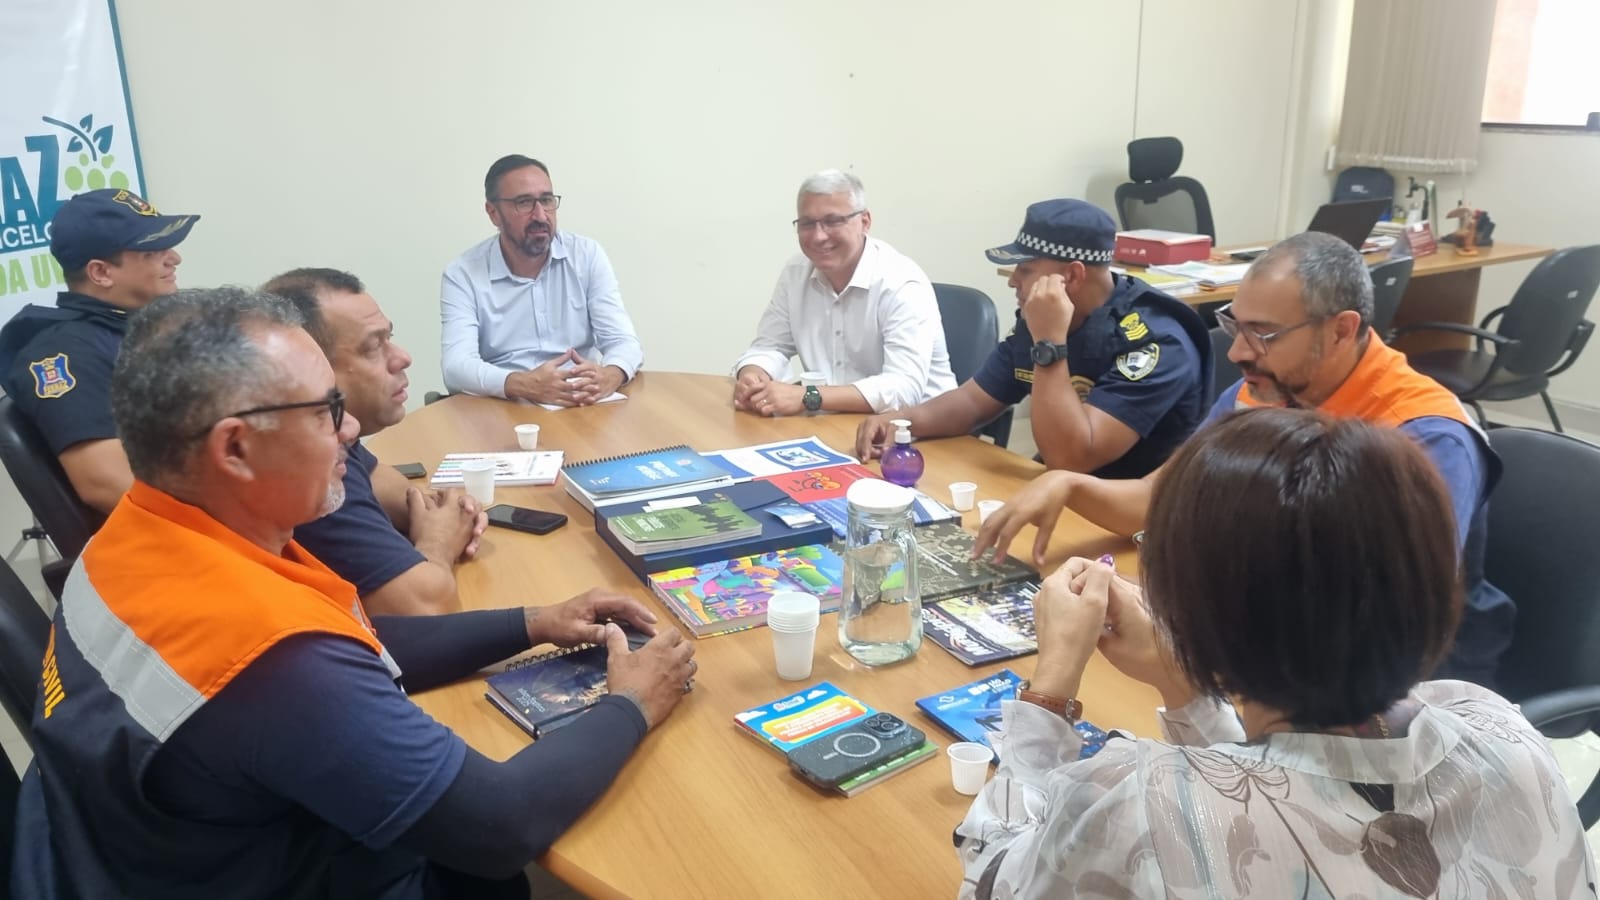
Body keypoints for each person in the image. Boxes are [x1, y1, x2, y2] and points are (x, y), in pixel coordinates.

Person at [13, 288, 697, 899]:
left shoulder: (138, 535)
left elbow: (350, 643)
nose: (348, 430)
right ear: (235, 449)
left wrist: (535, 621)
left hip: (117, 857)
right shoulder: (270, 657)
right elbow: (500, 825)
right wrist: (631, 704)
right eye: (325, 409)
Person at [956, 408, 1595, 899]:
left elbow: (993, 879)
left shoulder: (1141, 809)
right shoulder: (1502, 731)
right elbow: (1293, 773)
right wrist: (1183, 682)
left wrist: (1050, 688)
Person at [976, 231, 1511, 685]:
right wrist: (1071, 484)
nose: (1236, 353)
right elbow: (1162, 498)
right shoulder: (1267, 388)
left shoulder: (1425, 435)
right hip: (1274, 641)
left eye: (1263, 333)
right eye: (1236, 325)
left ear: (1341, 330)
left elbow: (1383, 615)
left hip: (1394, 685)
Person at [854, 199, 1209, 478]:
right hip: (1061, 490)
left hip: (1136, 516)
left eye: (1025, 270)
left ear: (1073, 276)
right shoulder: (1040, 320)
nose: (1013, 280)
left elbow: (1072, 459)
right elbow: (973, 402)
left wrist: (1049, 344)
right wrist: (903, 421)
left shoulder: (1156, 342)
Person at [264, 268, 487, 616]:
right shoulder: (309, 473)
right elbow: (423, 606)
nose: (402, 357)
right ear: (312, 365)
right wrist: (439, 541)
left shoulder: (337, 436)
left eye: (389, 338)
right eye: (373, 347)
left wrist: (445, 515)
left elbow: (387, 483)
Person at [0, 188, 197, 513]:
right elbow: (104, 482)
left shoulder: (139, 330)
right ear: (101, 273)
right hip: (178, 532)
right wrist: (233, 524)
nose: (174, 258)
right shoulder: (66, 353)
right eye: (152, 251)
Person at [731, 169, 956, 416]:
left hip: (917, 428)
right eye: (807, 223)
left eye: (833, 221)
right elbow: (770, 345)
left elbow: (904, 389)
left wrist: (809, 396)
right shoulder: (796, 273)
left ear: (865, 222)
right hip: (835, 421)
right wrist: (753, 373)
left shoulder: (901, 283)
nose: (819, 236)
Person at [440, 154, 642, 405]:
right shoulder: (463, 274)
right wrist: (522, 384)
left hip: (580, 404)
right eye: (524, 203)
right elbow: (456, 367)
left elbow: (623, 341)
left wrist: (611, 374)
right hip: (505, 406)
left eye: (546, 200)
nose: (540, 215)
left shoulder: (586, 255)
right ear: (493, 213)